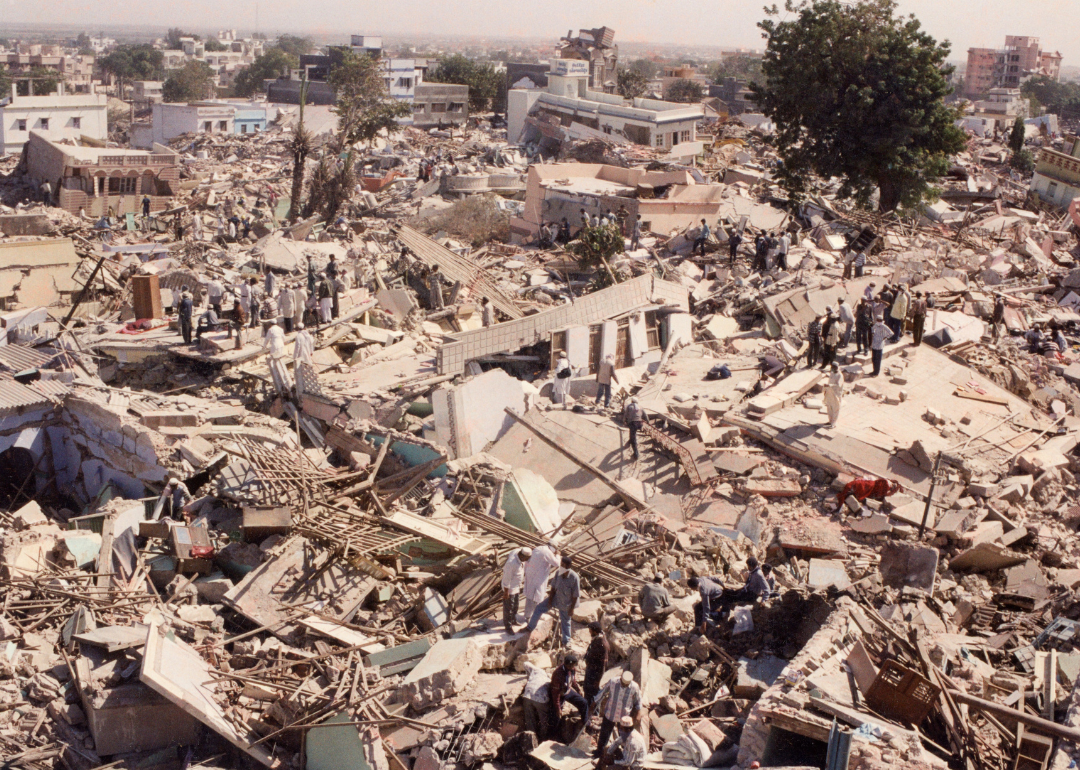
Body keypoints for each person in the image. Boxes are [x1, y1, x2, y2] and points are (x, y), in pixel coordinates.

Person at [526, 556, 580, 648]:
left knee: (565, 622)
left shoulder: (574, 578)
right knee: (539, 608)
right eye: (561, 564)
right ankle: (530, 627)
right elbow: (553, 587)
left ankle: (566, 641)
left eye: (563, 565)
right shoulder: (558, 573)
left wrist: (571, 609)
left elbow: (575, 595)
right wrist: (550, 600)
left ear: (568, 566)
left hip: (567, 603)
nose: (561, 566)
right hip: (556, 598)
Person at [593, 671, 642, 758]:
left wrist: (638, 713)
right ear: (620, 679)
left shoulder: (635, 687)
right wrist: (594, 702)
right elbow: (602, 692)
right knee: (604, 735)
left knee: (624, 737)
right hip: (610, 712)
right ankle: (600, 753)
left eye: (627, 685)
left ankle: (625, 755)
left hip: (624, 717)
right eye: (623, 684)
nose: (625, 686)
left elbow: (638, 701)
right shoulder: (613, 682)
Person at [549, 654, 589, 740]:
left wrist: (578, 689)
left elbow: (573, 681)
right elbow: (555, 694)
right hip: (560, 693)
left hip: (567, 691)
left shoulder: (572, 669)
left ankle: (585, 723)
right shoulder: (558, 674)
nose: (572, 667)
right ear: (566, 665)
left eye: (573, 665)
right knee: (557, 716)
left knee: (584, 702)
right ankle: (554, 736)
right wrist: (558, 708)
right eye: (570, 665)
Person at [522, 542, 560, 626]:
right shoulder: (547, 552)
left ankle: (532, 614)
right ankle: (529, 616)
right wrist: (558, 555)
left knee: (532, 596)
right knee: (534, 597)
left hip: (532, 574)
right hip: (538, 577)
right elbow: (557, 563)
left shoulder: (538, 548)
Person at [502, 547, 532, 634]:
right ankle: (508, 626)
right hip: (509, 588)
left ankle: (513, 620)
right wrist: (506, 592)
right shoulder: (511, 563)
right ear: (522, 556)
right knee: (509, 608)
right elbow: (506, 579)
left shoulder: (517, 552)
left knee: (515, 606)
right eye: (527, 559)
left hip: (516, 586)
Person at [521, 659, 551, 740]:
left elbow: (525, 663)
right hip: (541, 699)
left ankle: (531, 739)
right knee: (544, 721)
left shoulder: (537, 670)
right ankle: (543, 740)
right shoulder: (549, 680)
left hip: (528, 695)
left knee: (530, 719)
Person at [583, 622, 609, 705]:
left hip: (595, 673)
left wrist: (598, 680)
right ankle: (587, 708)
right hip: (591, 669)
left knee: (593, 692)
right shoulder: (597, 638)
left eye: (590, 630)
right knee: (587, 689)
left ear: (595, 631)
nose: (589, 632)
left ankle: (592, 712)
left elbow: (603, 665)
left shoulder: (602, 643)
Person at [836, 477, 901, 511]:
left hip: (870, 483)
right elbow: (879, 494)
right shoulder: (886, 487)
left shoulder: (885, 480)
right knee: (861, 488)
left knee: (859, 485)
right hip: (869, 487)